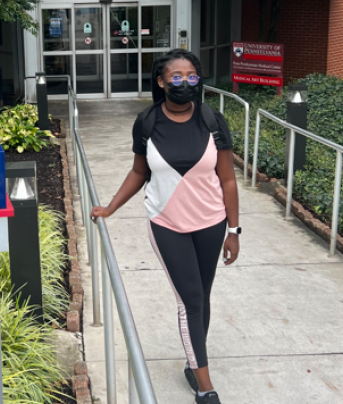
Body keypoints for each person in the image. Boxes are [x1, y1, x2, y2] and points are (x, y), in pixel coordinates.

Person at [90, 49, 240, 404]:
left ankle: (193, 361)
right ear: (161, 81)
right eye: (176, 76)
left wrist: (233, 231)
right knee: (190, 302)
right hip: (167, 223)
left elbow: (228, 180)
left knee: (202, 297)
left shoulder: (212, 121)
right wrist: (111, 207)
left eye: (192, 76)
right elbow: (139, 172)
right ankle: (205, 387)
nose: (185, 82)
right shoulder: (147, 122)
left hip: (211, 223)